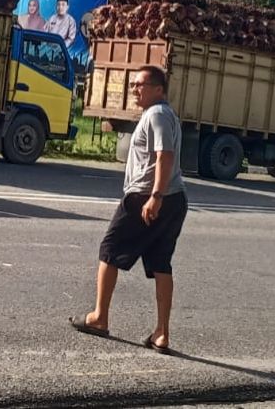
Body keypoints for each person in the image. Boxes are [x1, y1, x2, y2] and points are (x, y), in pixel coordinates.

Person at [70, 65, 187, 354]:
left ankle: (99, 317)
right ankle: (162, 332)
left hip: (147, 197)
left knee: (109, 249)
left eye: (141, 84)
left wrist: (155, 196)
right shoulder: (166, 114)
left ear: (159, 89)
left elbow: (165, 156)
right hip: (175, 198)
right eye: (133, 84)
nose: (135, 89)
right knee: (161, 262)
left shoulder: (157, 114)